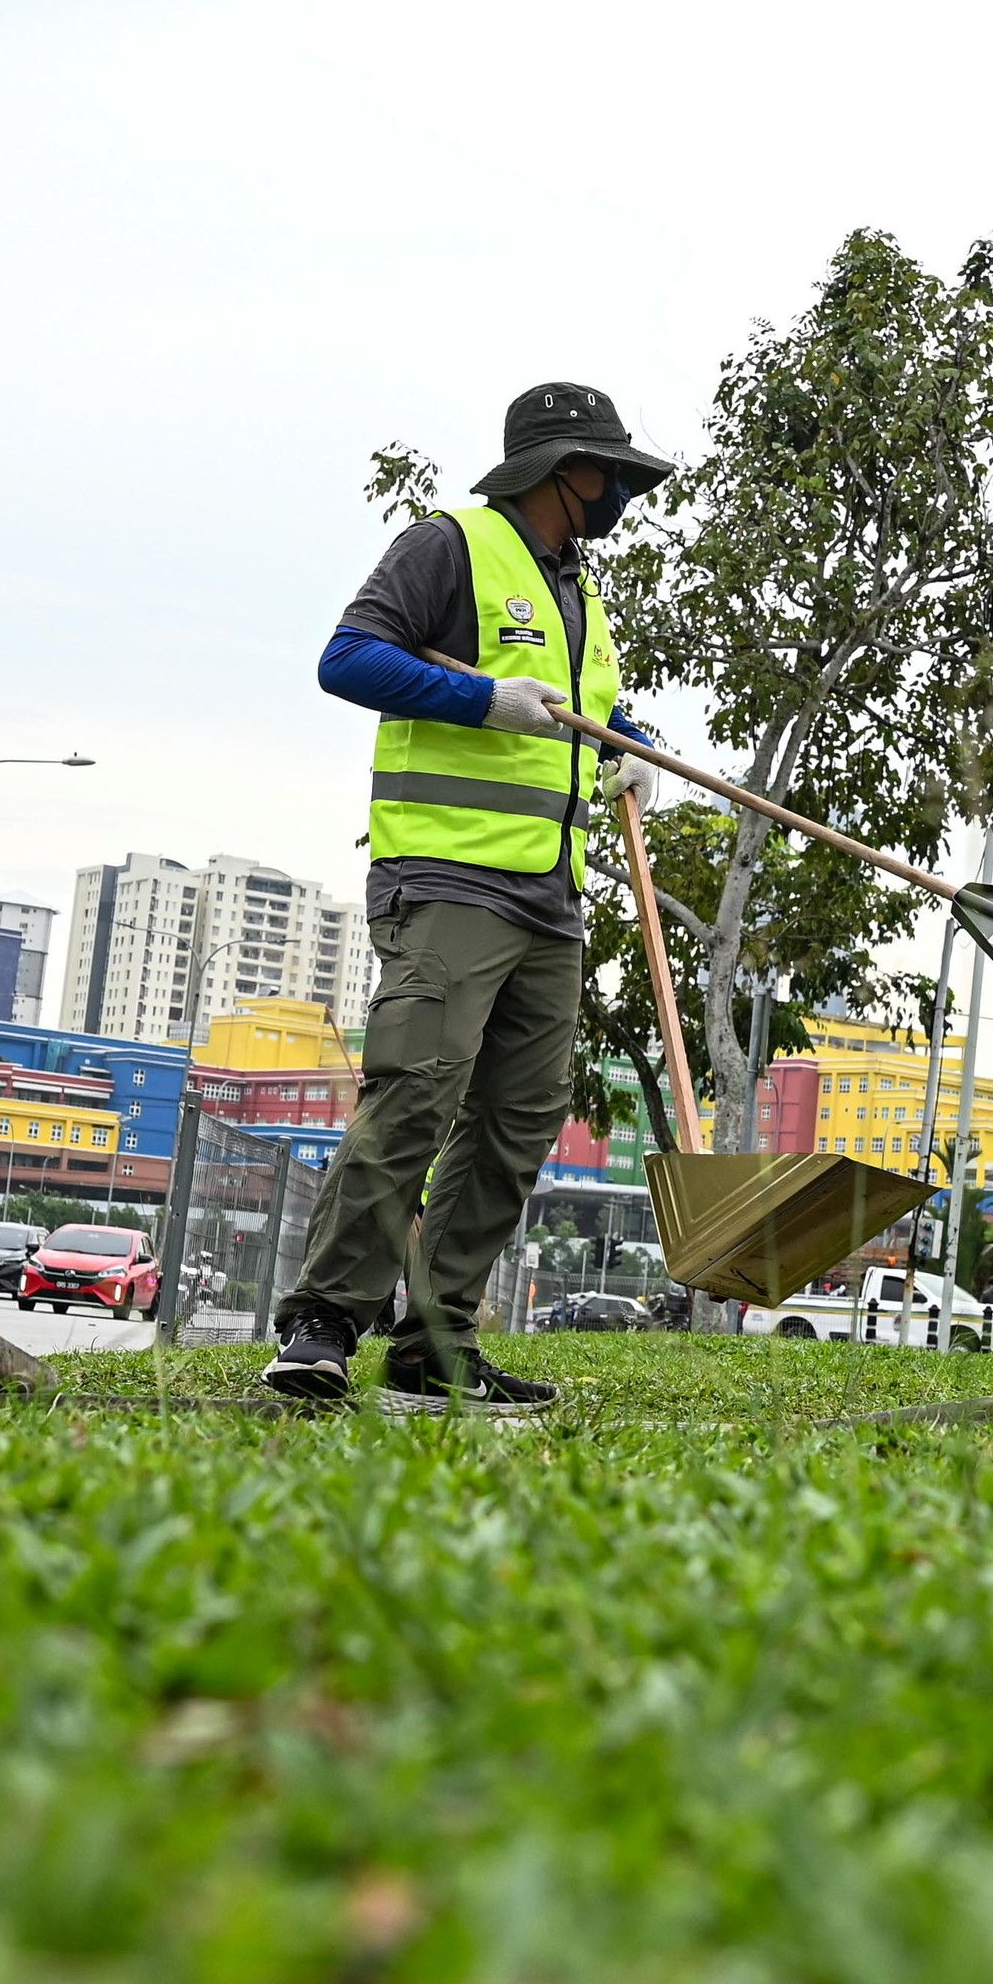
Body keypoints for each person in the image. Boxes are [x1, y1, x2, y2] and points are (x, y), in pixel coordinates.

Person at [267, 381, 674, 1412]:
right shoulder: (449, 545)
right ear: (559, 471)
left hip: (549, 895)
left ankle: (436, 1341)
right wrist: (481, 700)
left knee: (518, 1119)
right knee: (416, 1092)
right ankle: (323, 1321)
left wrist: (633, 745)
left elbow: (577, 710)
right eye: (610, 470)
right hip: (448, 876)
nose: (622, 488)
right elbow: (347, 658)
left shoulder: (577, 587)